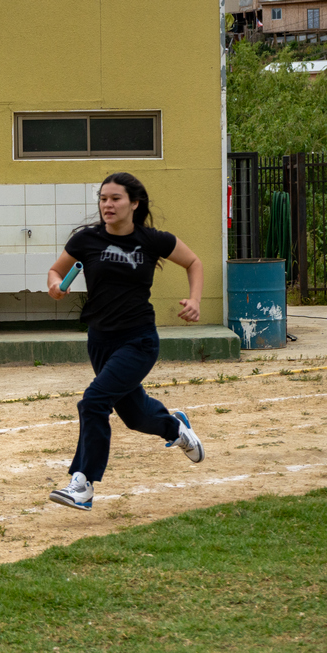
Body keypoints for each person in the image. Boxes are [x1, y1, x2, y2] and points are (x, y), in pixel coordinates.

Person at [46, 172, 204, 511]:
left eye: (115, 198)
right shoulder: (85, 240)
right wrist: (56, 286)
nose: (108, 204)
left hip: (138, 340)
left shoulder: (152, 240)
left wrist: (195, 299)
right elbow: (55, 271)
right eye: (103, 199)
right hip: (100, 340)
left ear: (134, 203)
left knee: (93, 402)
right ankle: (175, 428)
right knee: (134, 416)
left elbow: (193, 262)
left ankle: (83, 484)